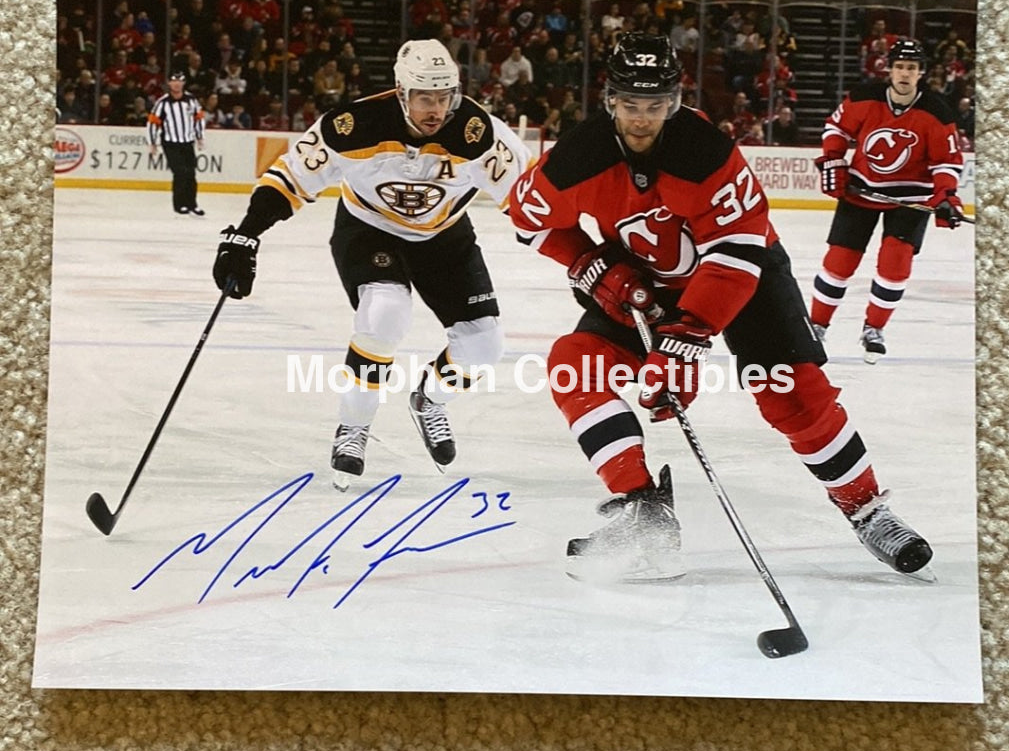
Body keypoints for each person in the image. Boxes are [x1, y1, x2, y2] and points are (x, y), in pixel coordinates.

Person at [508, 32, 932, 583]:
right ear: (610, 100)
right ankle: (644, 514)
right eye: (631, 104)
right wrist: (592, 263)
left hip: (744, 276)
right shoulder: (577, 157)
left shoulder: (706, 152)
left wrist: (686, 340)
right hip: (647, 283)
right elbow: (528, 220)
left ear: (675, 101)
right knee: (575, 364)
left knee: (792, 391)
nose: (642, 119)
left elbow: (736, 253)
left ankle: (867, 509)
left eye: (656, 105)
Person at [212, 40, 530, 489]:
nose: (436, 109)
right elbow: (291, 177)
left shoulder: (478, 134)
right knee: (385, 312)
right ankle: (354, 426)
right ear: (401, 93)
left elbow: (530, 196)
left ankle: (430, 399)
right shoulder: (352, 126)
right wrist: (246, 234)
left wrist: (569, 248)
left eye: (444, 97)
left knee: (484, 346)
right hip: (368, 230)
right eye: (424, 98)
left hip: (444, 236)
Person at [808, 38, 965, 362]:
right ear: (890, 70)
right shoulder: (864, 97)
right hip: (861, 190)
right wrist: (834, 159)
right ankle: (817, 325)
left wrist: (946, 196)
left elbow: (946, 162)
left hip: (911, 197)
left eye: (912, 68)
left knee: (895, 265)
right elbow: (836, 128)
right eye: (900, 67)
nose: (905, 73)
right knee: (839, 261)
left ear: (921, 73)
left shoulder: (937, 111)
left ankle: (874, 328)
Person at [146, 71, 206, 215]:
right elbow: (153, 122)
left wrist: (200, 137)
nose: (177, 84)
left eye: (180, 81)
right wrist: (152, 142)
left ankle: (192, 204)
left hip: (187, 141)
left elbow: (198, 118)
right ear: (169, 83)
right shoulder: (163, 102)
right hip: (170, 143)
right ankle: (179, 205)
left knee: (191, 173)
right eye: (174, 81)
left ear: (183, 83)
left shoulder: (191, 100)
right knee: (179, 172)